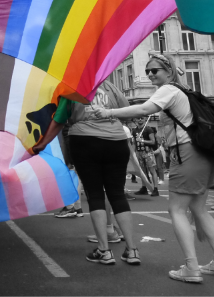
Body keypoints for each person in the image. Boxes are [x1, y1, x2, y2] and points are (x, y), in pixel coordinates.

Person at [92, 53, 214, 283]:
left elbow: (143, 110)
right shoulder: (184, 90)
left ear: (168, 71)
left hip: (187, 153)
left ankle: (192, 267)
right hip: (203, 154)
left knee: (177, 210)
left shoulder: (169, 90)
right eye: (147, 71)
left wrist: (109, 112)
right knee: (199, 209)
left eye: (154, 70)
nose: (149, 74)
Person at [33, 83, 142, 266]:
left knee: (95, 194)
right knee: (117, 194)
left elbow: (59, 119)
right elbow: (127, 111)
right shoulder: (111, 87)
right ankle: (132, 250)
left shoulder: (73, 86)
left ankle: (104, 251)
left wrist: (43, 144)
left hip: (85, 140)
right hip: (116, 140)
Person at [132, 116, 160, 197]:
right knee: (143, 172)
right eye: (138, 118)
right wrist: (133, 153)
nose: (140, 119)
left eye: (141, 118)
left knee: (152, 170)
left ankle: (155, 189)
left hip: (148, 152)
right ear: (136, 119)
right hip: (139, 153)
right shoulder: (134, 130)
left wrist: (142, 140)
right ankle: (144, 188)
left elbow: (153, 141)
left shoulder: (148, 129)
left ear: (144, 119)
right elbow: (134, 143)